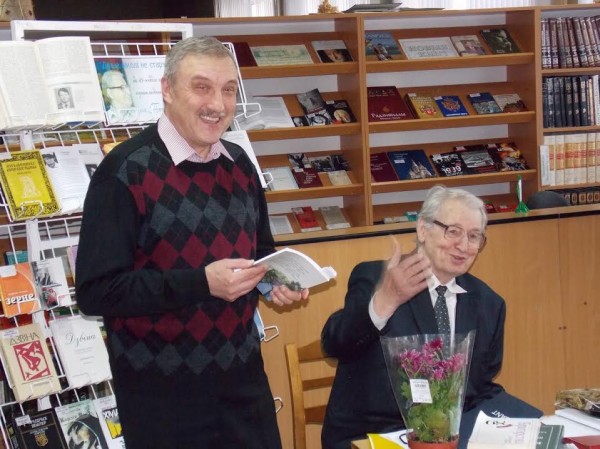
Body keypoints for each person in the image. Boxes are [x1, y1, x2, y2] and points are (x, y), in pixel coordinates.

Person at [76, 36, 308, 449]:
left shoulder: (241, 166)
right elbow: (97, 291)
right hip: (162, 400)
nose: (217, 104)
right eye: (201, 87)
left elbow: (260, 254)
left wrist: (275, 280)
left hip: (244, 385)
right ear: (167, 90)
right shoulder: (123, 172)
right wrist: (201, 283)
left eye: (228, 89)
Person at [321, 185, 540, 449]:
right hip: (375, 435)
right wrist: (386, 300)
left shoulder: (488, 304)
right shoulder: (376, 277)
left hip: (450, 437)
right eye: (453, 231)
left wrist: (528, 423)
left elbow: (479, 388)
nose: (464, 245)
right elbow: (334, 343)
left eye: (474, 236)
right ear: (423, 229)